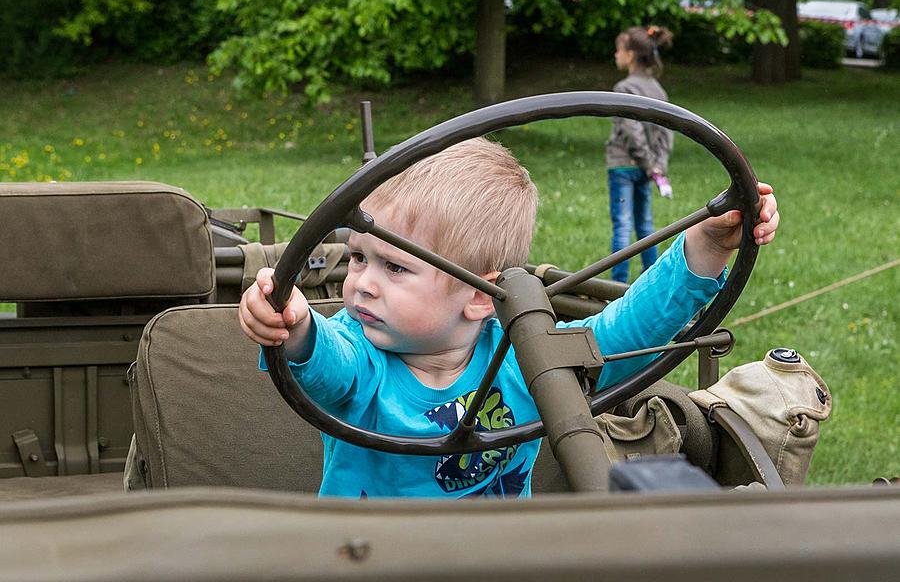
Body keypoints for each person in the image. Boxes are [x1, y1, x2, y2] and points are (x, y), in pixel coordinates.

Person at [239, 137, 779, 499]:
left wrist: (706, 244)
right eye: (358, 257)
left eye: (395, 267)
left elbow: (625, 330)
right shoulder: (363, 355)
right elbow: (326, 360)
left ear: (479, 295)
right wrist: (297, 323)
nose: (361, 282)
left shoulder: (528, 363)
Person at [606, 25, 675, 284]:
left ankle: (616, 285)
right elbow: (667, 132)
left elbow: (630, 128)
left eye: (618, 50)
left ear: (630, 55)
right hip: (648, 170)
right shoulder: (659, 90)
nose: (615, 55)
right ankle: (651, 282)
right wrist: (656, 166)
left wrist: (648, 163)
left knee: (623, 225)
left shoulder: (624, 88)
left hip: (623, 166)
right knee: (645, 225)